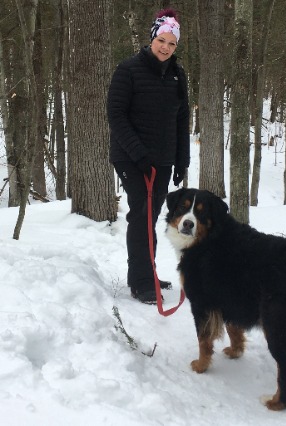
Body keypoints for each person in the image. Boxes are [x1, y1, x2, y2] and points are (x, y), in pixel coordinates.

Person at [107, 8, 190, 304]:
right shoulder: (128, 69)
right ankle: (141, 282)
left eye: (172, 43)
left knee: (151, 216)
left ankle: (147, 274)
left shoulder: (178, 75)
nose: (166, 47)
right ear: (153, 37)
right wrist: (139, 154)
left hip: (163, 159)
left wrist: (182, 159)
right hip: (131, 157)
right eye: (162, 40)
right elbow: (116, 115)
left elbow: (182, 119)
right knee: (142, 215)